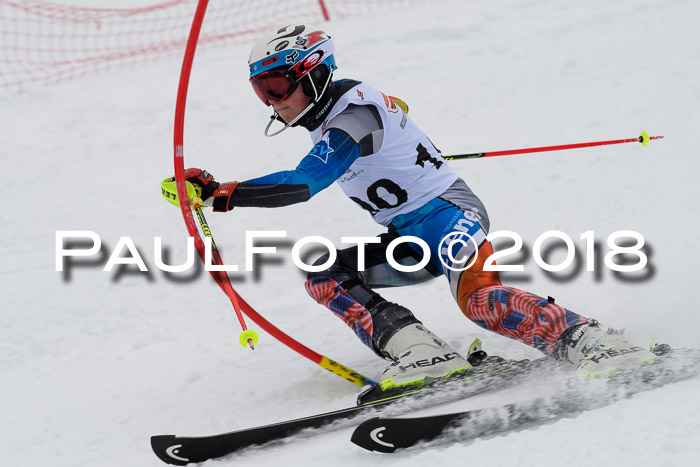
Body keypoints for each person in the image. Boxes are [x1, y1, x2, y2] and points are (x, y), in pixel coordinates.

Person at [166, 24, 656, 389]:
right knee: (325, 275)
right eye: (261, 91)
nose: (272, 103)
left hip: (450, 215)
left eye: (276, 88)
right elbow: (390, 113)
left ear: (312, 75)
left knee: (479, 303)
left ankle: (589, 341)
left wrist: (220, 193)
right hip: (407, 235)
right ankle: (421, 352)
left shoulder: (352, 115)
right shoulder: (337, 110)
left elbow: (302, 184)